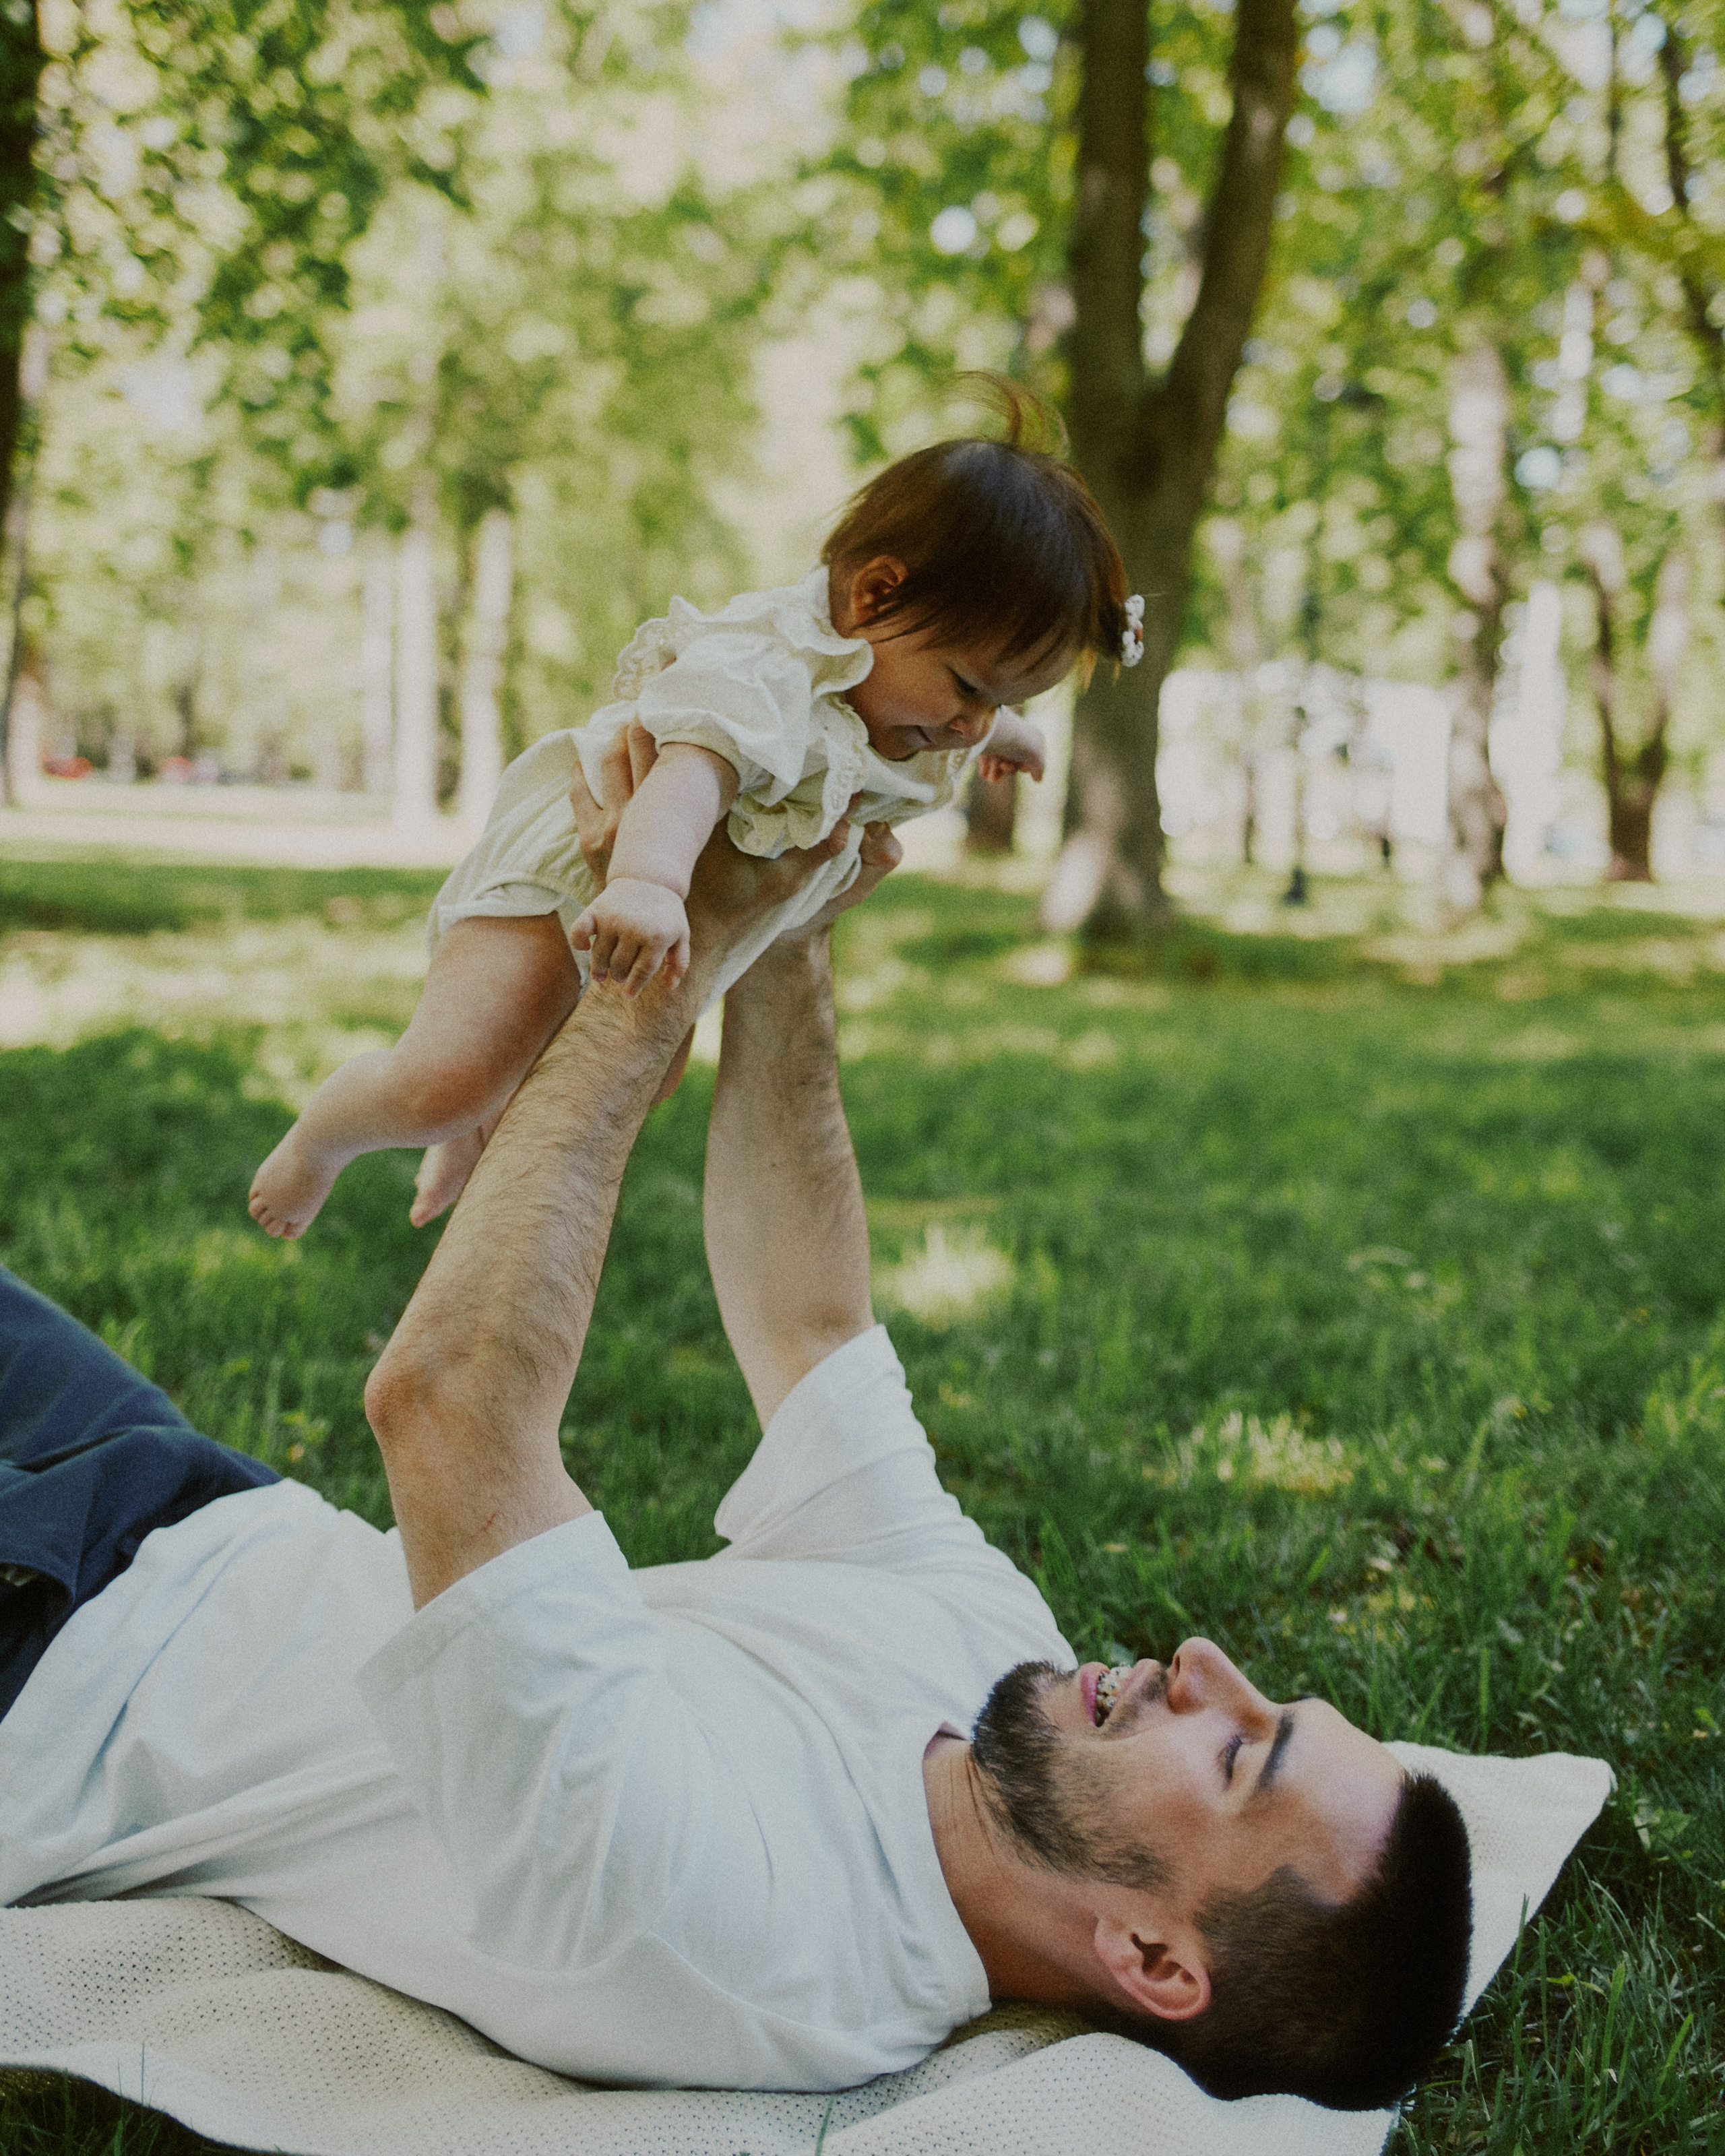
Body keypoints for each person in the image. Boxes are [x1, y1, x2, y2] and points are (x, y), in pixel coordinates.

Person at [1, 749, 1471, 2112]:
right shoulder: (987, 1650)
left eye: (1237, 1756)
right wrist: (794, 890)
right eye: (1257, 1691)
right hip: (188, 1501)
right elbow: (813, 1325)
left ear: (1153, 1960)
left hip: (49, 1678)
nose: (1203, 1667)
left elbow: (448, 1411)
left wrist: (659, 974)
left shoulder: (744, 1939)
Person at [248, 381, 1141, 1241]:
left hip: (669, 916)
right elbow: (691, 774)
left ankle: (472, 1127)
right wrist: (642, 881)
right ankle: (328, 1137)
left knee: (642, 1074)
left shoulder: (902, 699)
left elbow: (953, 702)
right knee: (449, 1072)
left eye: (1005, 700)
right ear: (874, 597)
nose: (969, 725)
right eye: (973, 690)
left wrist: (1004, 731)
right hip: (577, 877)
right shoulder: (766, 674)